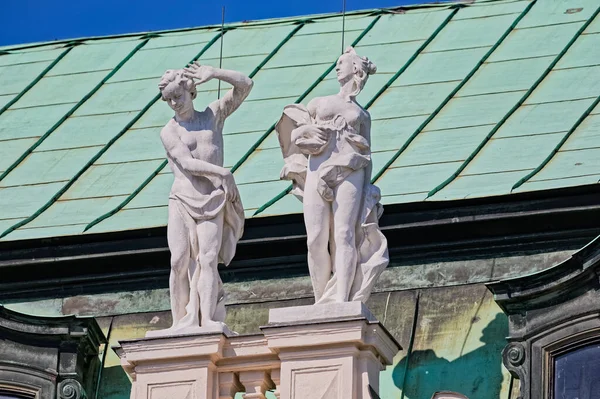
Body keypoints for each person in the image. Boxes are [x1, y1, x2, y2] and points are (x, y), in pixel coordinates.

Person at [276, 47, 388, 304]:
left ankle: (341, 300)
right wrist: (303, 134)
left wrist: (368, 190)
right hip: (318, 168)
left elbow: (368, 154)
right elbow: (295, 134)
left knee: (344, 234)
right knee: (315, 238)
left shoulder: (362, 115)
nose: (337, 67)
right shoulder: (319, 103)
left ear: (356, 70)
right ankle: (320, 299)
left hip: (351, 169)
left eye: (342, 63)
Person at [156, 63, 252, 333]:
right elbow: (187, 164)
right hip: (183, 199)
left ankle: (207, 319)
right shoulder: (170, 131)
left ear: (191, 91)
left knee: (208, 259)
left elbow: (245, 84)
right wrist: (223, 173)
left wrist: (217, 73)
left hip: (213, 199)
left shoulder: (213, 115)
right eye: (170, 99)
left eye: (179, 96)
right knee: (178, 260)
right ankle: (179, 322)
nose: (175, 103)